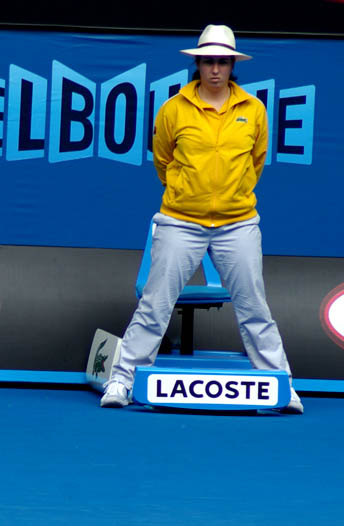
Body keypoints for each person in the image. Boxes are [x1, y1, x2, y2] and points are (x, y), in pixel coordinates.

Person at [99, 24, 303, 414]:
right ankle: (122, 380)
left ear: (231, 66)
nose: (214, 69)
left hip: (238, 223)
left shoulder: (254, 110)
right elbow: (163, 160)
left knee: (255, 307)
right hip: (180, 220)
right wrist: (188, 193)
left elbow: (255, 162)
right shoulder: (174, 108)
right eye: (208, 61)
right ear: (198, 64)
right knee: (155, 304)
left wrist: (229, 197)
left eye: (222, 62)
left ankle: (282, 385)